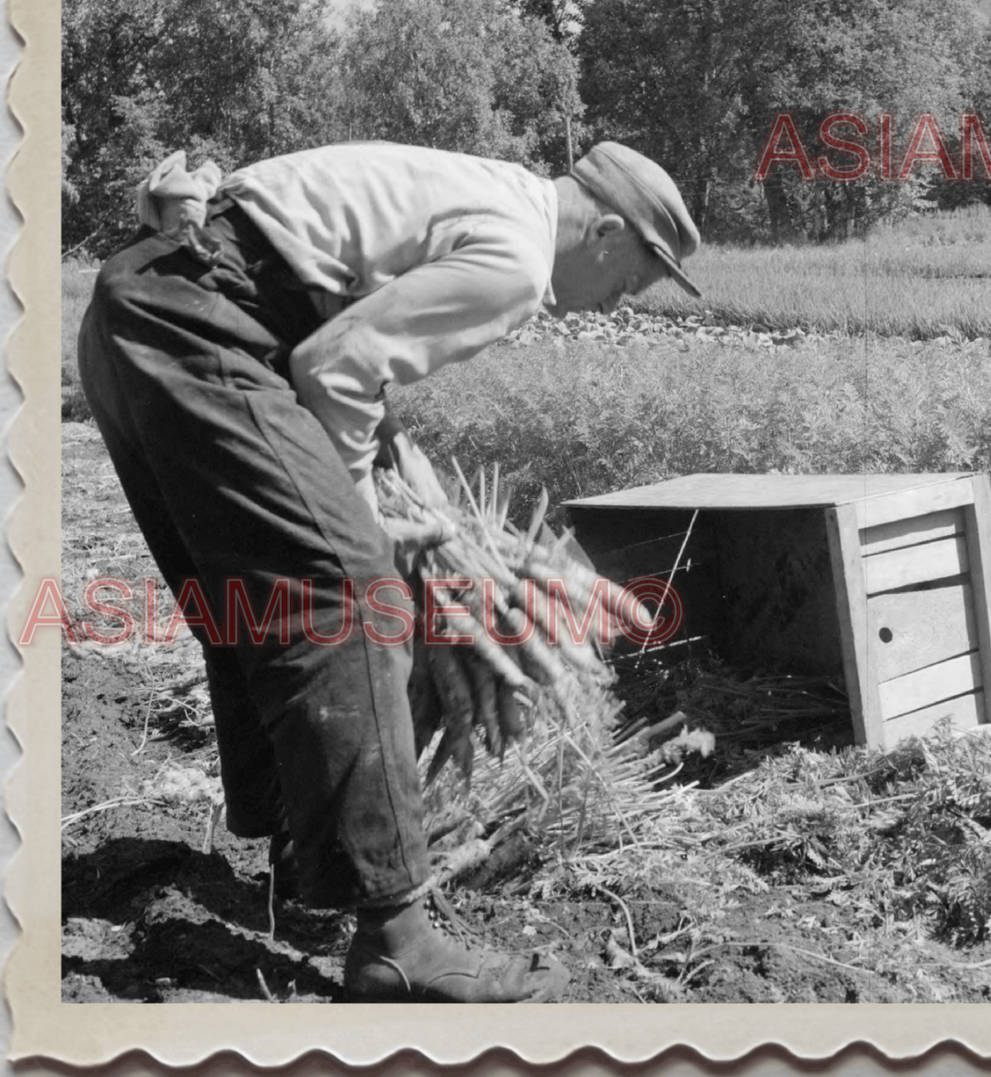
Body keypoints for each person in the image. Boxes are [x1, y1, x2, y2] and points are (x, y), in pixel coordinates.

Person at [77, 140, 702, 1003]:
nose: (624, 300)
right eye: (633, 276)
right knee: (348, 595)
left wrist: (397, 493)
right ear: (603, 228)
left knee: (253, 601)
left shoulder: (486, 193)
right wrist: (365, 532)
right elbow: (332, 366)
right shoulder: (518, 258)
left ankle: (304, 854)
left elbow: (341, 345)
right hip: (199, 327)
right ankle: (397, 937)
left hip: (137, 309)